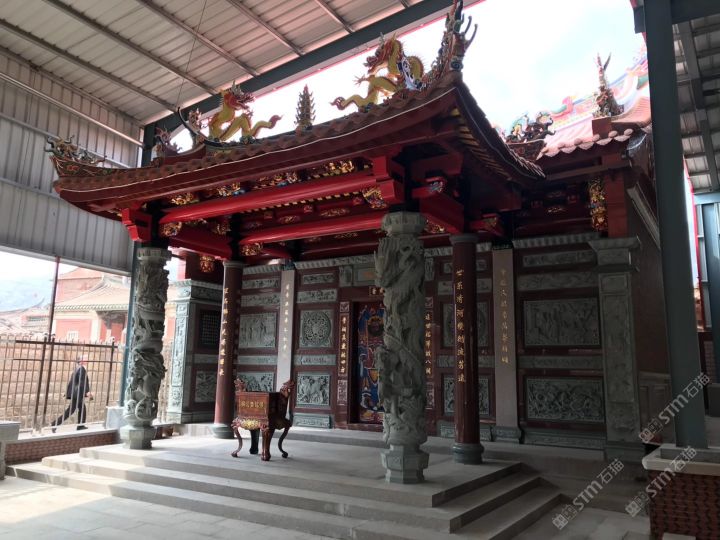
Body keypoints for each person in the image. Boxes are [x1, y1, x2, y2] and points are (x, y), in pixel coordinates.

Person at [51, 356, 93, 433]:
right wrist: (87, 392)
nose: (87, 360)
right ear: (81, 361)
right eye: (86, 359)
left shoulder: (77, 368)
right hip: (77, 394)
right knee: (71, 410)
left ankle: (80, 425)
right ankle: (55, 424)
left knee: (81, 408)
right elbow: (81, 382)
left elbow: (73, 382)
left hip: (76, 394)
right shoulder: (81, 369)